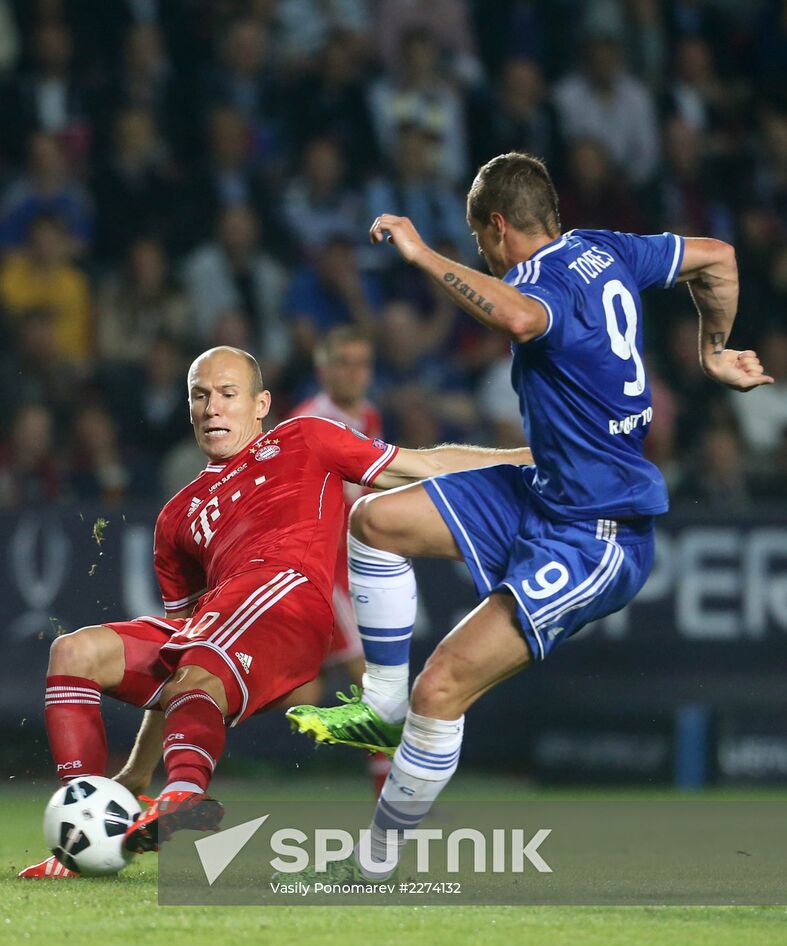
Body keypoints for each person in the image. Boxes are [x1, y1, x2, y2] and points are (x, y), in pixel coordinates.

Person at [286, 151, 773, 881]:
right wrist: (711, 351)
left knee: (441, 687)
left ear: (498, 227)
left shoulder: (534, 279)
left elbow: (517, 316)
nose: (485, 254)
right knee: (375, 523)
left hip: (594, 533)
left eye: (481, 241)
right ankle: (379, 702)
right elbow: (719, 258)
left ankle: (377, 857)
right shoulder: (608, 249)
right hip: (545, 486)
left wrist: (422, 253)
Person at [19, 345, 533, 878]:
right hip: (223, 629)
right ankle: (81, 826)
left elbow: (424, 466)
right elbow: (177, 664)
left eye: (226, 394)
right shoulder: (176, 517)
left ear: (260, 403)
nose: (212, 407)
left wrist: (529, 457)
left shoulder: (304, 438)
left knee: (205, 654)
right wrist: (134, 774)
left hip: (289, 600)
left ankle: (186, 794)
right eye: (200, 396)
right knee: (75, 650)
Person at [287, 327, 391, 794]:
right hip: (323, 572)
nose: (353, 372)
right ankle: (395, 800)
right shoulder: (308, 423)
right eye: (343, 361)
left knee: (302, 691)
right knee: (377, 680)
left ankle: (192, 719)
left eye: (361, 362)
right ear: (322, 368)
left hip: (353, 569)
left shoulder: (367, 415)